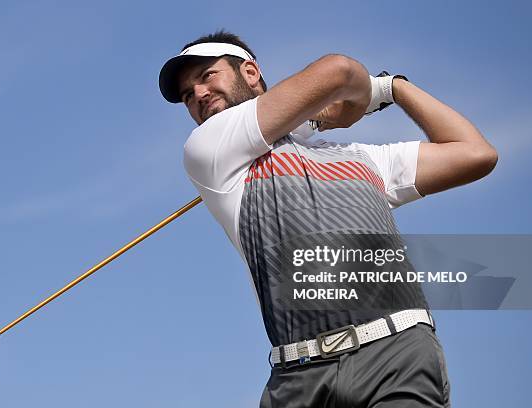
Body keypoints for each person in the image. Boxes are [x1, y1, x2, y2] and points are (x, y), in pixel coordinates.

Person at [159, 30, 497, 408]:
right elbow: (338, 74)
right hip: (296, 374)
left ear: (250, 72)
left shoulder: (361, 157)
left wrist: (393, 88)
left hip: (395, 356)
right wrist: (326, 114)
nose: (198, 95)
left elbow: (474, 153)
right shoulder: (208, 149)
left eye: (207, 76)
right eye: (188, 95)